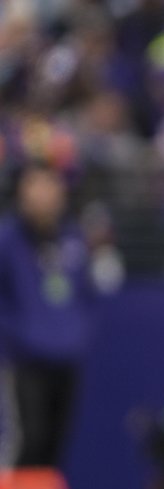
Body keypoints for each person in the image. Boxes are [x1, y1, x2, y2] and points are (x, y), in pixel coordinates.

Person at [0, 163, 109, 468]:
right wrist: (16, 337)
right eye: (35, 185)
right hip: (22, 362)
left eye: (51, 184)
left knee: (54, 449)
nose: (43, 194)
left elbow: (87, 294)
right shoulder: (6, 241)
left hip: (66, 360)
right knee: (27, 442)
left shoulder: (73, 239)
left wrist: (77, 334)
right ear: (21, 192)